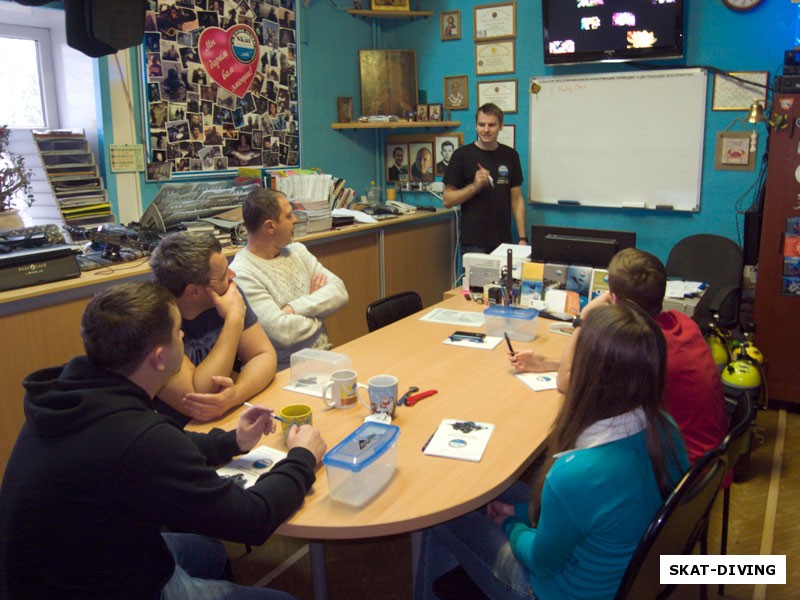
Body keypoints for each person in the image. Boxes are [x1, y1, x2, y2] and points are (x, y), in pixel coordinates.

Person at [0, 281, 327, 599]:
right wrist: (302, 459)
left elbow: (156, 447)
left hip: (59, 570)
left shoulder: (74, 397)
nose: (183, 334)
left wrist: (233, 442)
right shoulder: (136, 437)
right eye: (177, 331)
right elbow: (253, 519)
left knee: (207, 551)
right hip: (97, 587)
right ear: (159, 358)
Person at [416, 302, 689, 599]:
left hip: (554, 591)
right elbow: (585, 512)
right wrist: (519, 512)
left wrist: (510, 523)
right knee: (500, 493)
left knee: (439, 517)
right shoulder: (665, 429)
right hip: (626, 577)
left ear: (587, 377)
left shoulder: (577, 473)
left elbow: (540, 562)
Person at [510, 248, 728, 464]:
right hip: (710, 460)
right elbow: (605, 365)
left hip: (679, 470)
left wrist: (583, 320)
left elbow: (565, 382)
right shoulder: (680, 322)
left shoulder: (642, 348)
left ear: (613, 299)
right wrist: (547, 363)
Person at [150, 232, 278, 424]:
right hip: (175, 430)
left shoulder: (226, 294)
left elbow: (264, 356)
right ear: (194, 291)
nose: (232, 276)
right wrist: (234, 321)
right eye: (223, 275)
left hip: (227, 416)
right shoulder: (151, 319)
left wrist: (234, 395)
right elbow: (199, 399)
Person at [230, 189, 349, 370]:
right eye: (288, 216)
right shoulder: (242, 273)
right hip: (285, 371)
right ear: (270, 226)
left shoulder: (297, 250)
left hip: (326, 356)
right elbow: (283, 333)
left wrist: (294, 308)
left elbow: (340, 292)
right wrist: (320, 309)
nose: (295, 219)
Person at [443, 103, 527, 255]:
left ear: (501, 126)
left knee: (505, 279)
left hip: (503, 241)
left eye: (491, 125)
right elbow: (447, 200)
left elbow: (516, 199)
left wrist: (522, 237)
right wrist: (474, 186)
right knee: (475, 280)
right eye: (481, 124)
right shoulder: (461, 156)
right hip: (474, 242)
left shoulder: (511, 155)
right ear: (476, 126)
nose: (486, 130)